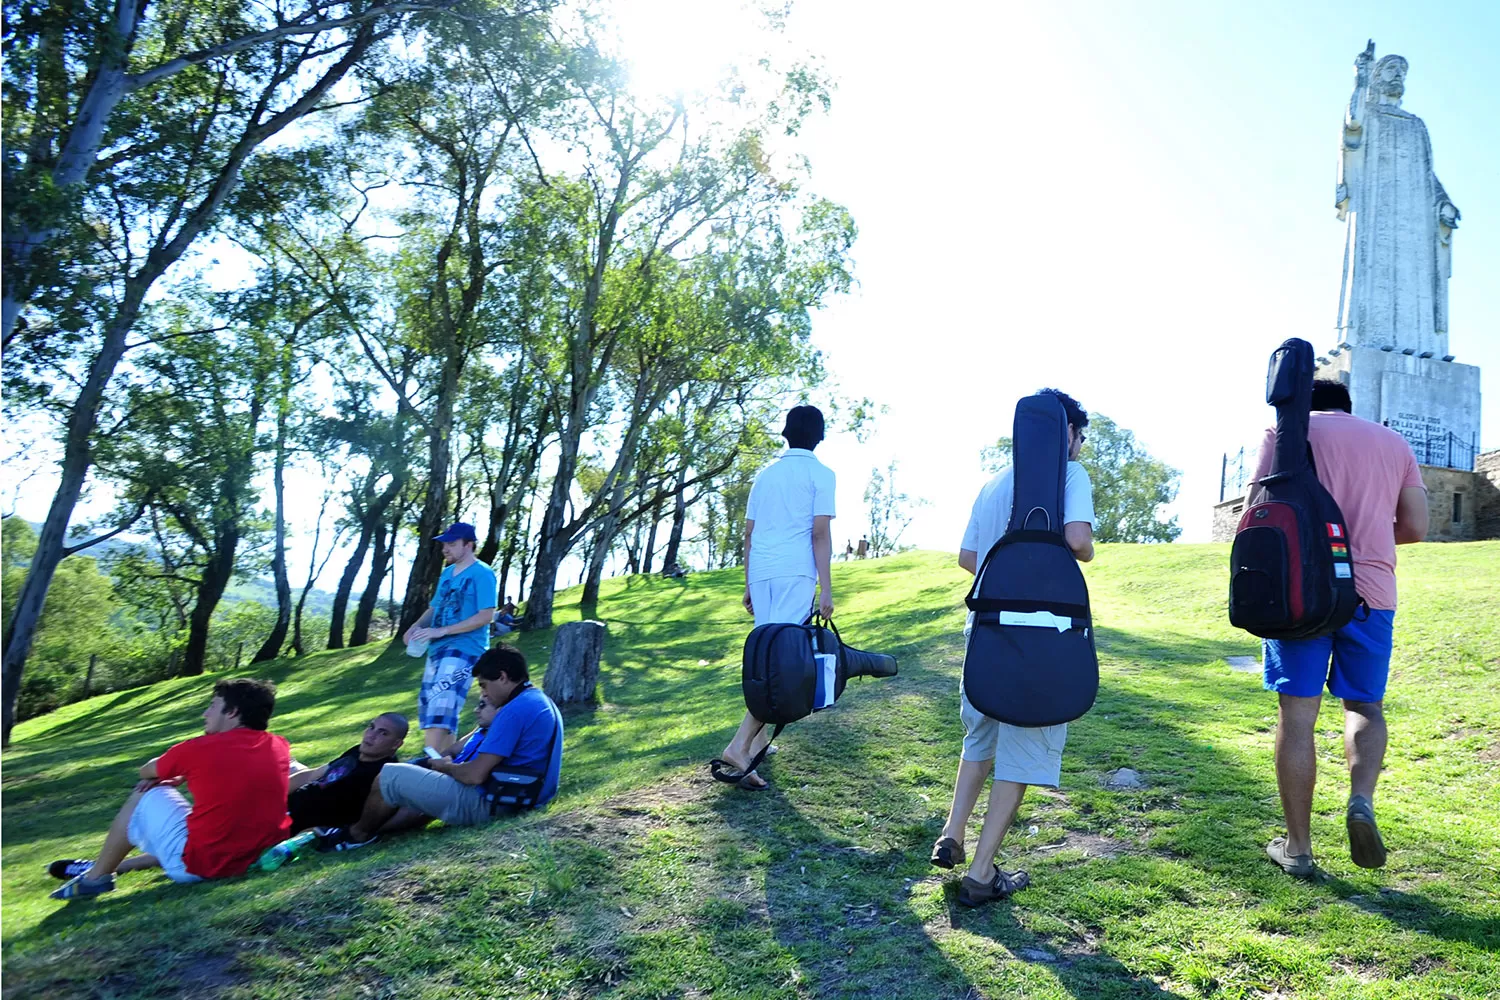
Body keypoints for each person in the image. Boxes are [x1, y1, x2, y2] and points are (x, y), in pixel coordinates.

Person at [931, 389, 1096, 907]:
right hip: (1043, 636)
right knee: (1023, 756)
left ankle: (952, 832)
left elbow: (967, 558)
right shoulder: (1070, 476)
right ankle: (981, 874)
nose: (1081, 447)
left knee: (980, 735)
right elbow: (1076, 541)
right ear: (1065, 433)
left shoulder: (995, 481)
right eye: (1081, 436)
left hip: (987, 632)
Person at [1256, 379, 1427, 877]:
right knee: (1364, 705)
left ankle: (1299, 849)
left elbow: (1256, 515)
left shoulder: (1284, 434)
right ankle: (1360, 800)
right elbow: (1415, 527)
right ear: (1349, 407)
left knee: (1298, 715)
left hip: (1300, 592)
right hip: (1372, 592)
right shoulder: (1394, 444)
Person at [47, 679, 292, 900]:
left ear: (232, 712)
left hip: (204, 867)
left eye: (212, 706)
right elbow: (237, 772)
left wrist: (170, 775)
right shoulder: (279, 745)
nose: (205, 714)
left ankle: (95, 878)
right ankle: (104, 866)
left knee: (145, 793)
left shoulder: (198, 748)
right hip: (258, 857)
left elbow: (146, 771)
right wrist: (186, 774)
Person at [318, 645, 563, 851]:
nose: (483, 692)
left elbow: (474, 775)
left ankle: (357, 836)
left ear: (502, 677)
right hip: (522, 798)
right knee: (419, 780)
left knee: (391, 775)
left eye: (484, 685)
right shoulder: (538, 700)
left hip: (496, 804)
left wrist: (447, 767)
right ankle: (357, 826)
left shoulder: (514, 710)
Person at [717, 404, 836, 790]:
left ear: (786, 433)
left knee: (767, 658)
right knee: (781, 665)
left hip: (765, 572)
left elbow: (749, 535)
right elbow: (819, 534)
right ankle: (739, 746)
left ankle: (754, 746)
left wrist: (749, 584)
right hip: (794, 571)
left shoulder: (764, 477)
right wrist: (827, 588)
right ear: (819, 436)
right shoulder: (821, 475)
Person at [403, 522, 497, 753]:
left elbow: (486, 616)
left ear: (469, 545)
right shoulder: (447, 574)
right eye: (444, 544)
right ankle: (444, 762)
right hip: (436, 649)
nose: (446, 549)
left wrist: (442, 631)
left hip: (464, 648)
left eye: (452, 544)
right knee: (434, 709)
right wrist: (414, 627)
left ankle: (425, 768)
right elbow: (434, 608)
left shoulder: (482, 573)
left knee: (440, 706)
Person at [285, 713, 409, 833]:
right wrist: (276, 794)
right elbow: (313, 774)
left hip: (298, 821)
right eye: (371, 727)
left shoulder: (382, 774)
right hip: (291, 802)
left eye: (383, 733)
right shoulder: (356, 752)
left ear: (396, 744)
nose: (371, 735)